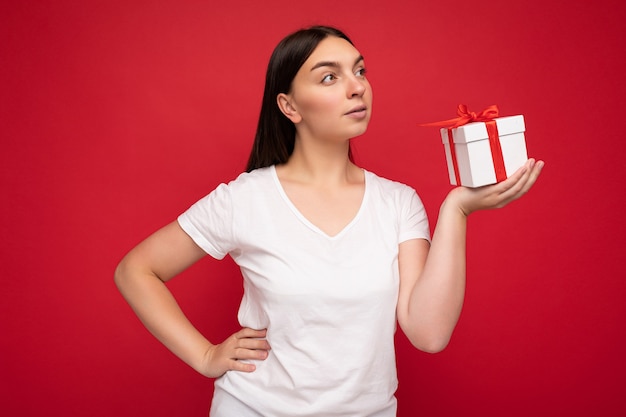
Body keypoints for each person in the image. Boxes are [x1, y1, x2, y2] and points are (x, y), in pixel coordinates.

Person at [114, 25, 543, 416]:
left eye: (359, 71)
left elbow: (428, 334)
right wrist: (205, 356)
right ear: (289, 106)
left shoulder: (398, 203)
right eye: (329, 77)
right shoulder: (244, 198)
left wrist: (457, 209)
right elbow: (136, 270)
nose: (357, 87)